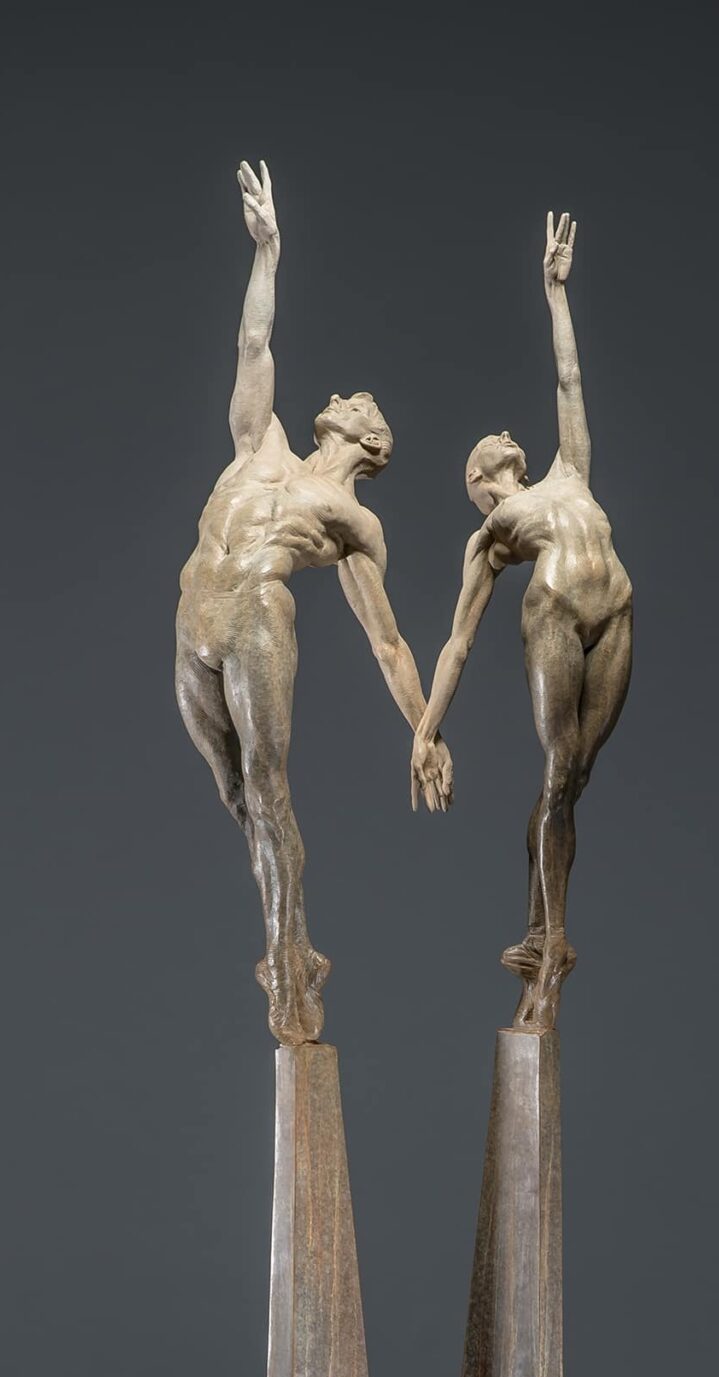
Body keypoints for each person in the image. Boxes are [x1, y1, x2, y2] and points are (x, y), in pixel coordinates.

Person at [176, 161, 453, 1044]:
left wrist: (424, 728)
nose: (341, 396)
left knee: (267, 790)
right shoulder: (262, 443)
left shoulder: (351, 521)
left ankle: (288, 964)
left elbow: (388, 642)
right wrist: (268, 251)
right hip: (193, 617)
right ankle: (291, 940)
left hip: (258, 612)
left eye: (359, 403)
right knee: (236, 796)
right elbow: (254, 344)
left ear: (370, 442)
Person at [413, 213, 631, 1031]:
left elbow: (569, 382)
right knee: (559, 769)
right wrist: (425, 730)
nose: (505, 437)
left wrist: (555, 294)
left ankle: (541, 928)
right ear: (481, 482)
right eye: (488, 448)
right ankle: (552, 945)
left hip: (615, 611)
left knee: (570, 783)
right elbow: (457, 642)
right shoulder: (493, 534)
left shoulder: (570, 472)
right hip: (553, 615)